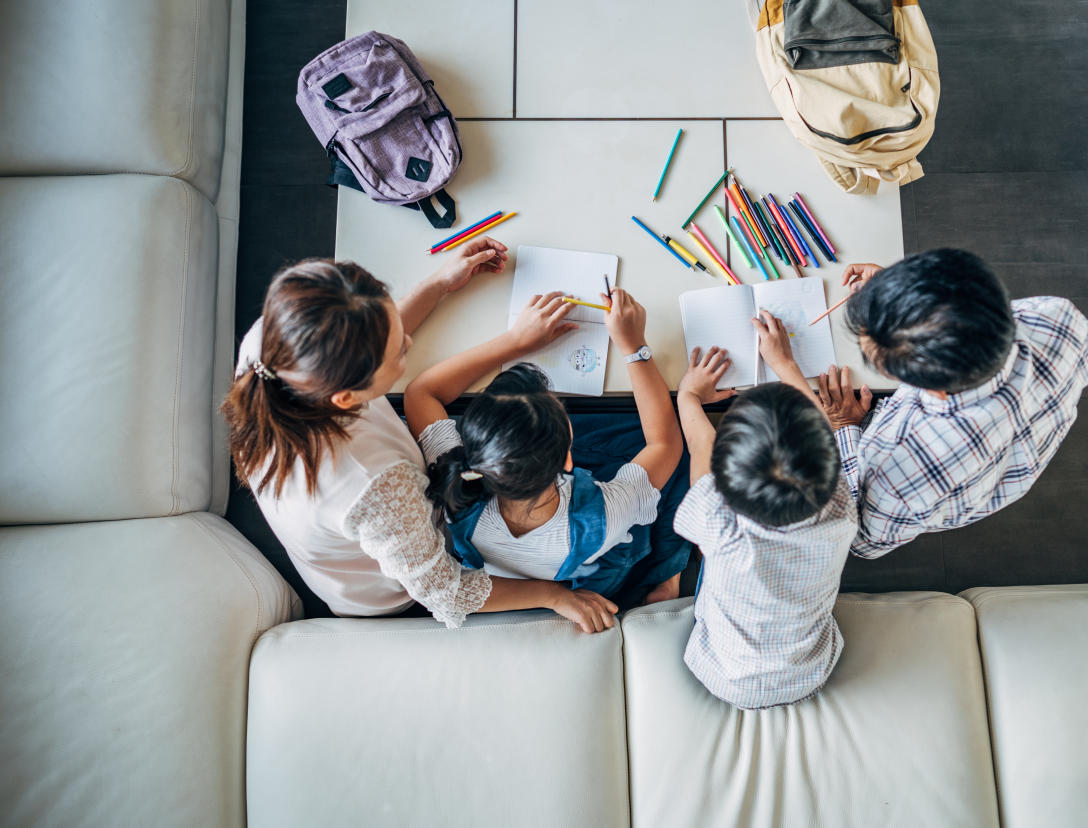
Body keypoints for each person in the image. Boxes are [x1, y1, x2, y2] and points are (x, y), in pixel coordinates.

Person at [221, 241, 618, 633]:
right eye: (398, 354)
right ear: (345, 397)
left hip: (391, 514)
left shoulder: (274, 344)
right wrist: (554, 595)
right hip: (399, 587)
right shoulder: (372, 485)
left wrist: (439, 284)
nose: (408, 342)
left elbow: (374, 342)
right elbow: (445, 591)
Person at [406, 288, 689, 610]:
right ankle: (666, 572)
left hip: (523, 569)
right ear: (569, 458)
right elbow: (664, 442)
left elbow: (421, 393)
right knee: (680, 450)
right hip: (595, 564)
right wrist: (633, 346)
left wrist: (515, 341)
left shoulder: (453, 484)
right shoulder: (606, 514)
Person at [818, 248, 1088, 558]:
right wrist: (901, 297)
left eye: (879, 360)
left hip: (952, 482)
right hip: (1027, 439)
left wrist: (845, 426)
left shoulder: (900, 464)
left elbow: (861, 543)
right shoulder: (1057, 316)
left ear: (926, 386)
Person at [673, 312, 858, 710]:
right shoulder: (842, 509)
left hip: (724, 675)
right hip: (810, 672)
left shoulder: (717, 523)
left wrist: (688, 396)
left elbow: (700, 446)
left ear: (723, 478)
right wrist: (785, 364)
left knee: (706, 550)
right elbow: (823, 439)